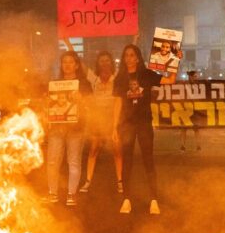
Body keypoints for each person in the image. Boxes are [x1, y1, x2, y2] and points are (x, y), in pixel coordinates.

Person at [112, 44, 180, 215]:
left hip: (143, 122)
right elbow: (117, 103)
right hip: (126, 124)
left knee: (148, 160)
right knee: (127, 161)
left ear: (137, 57)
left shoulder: (147, 74)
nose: (129, 58)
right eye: (126, 55)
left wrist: (176, 60)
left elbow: (170, 80)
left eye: (132, 55)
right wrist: (114, 127)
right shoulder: (120, 78)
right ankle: (126, 199)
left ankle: (153, 199)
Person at [45, 51, 92, 207]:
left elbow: (90, 106)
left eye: (71, 62)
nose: (67, 65)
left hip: (76, 127)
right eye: (64, 62)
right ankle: (53, 192)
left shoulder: (84, 84)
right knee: (52, 161)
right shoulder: (55, 84)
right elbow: (49, 106)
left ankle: (72, 194)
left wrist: (82, 100)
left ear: (76, 65)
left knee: (73, 161)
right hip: (57, 127)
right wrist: (48, 101)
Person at [81, 51, 123, 194]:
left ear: (111, 62)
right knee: (93, 150)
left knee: (117, 150)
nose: (104, 63)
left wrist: (135, 39)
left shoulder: (116, 76)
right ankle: (88, 181)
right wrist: (68, 42)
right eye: (101, 61)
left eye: (107, 60)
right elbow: (80, 64)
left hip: (112, 117)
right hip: (98, 118)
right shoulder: (94, 78)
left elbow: (125, 62)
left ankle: (120, 181)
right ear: (98, 64)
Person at [180, 71, 201, 152]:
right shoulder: (184, 85)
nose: (196, 78)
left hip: (195, 109)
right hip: (186, 109)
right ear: (191, 77)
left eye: (197, 76)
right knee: (184, 128)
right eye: (195, 76)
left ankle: (198, 145)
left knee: (196, 128)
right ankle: (182, 145)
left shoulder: (199, 85)